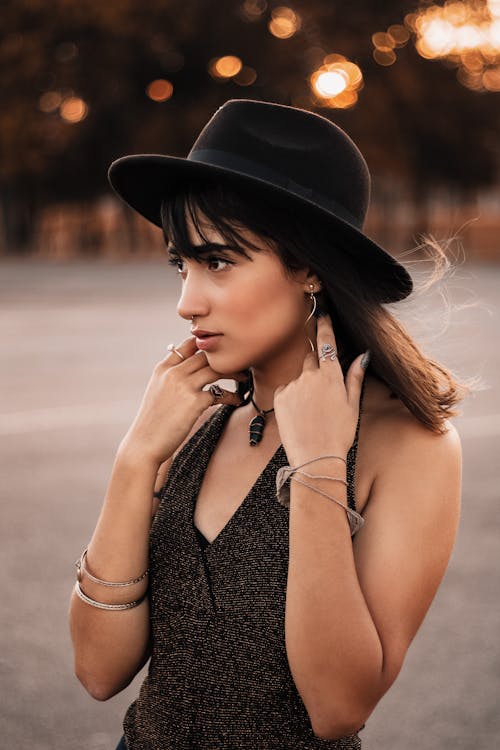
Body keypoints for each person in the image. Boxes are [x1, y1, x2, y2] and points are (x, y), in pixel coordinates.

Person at [69, 99, 467, 749]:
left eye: (217, 261)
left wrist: (316, 467)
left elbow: (338, 709)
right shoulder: (194, 422)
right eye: (181, 263)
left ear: (309, 266)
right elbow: (97, 670)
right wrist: (136, 456)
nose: (185, 302)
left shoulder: (409, 446)